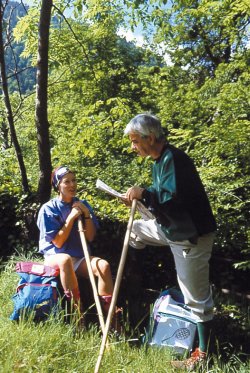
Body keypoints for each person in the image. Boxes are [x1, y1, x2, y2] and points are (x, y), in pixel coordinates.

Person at [122, 113, 217, 371]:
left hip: (190, 237)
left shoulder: (173, 159)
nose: (132, 147)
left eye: (134, 141)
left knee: (196, 299)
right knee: (134, 229)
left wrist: (144, 193)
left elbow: (170, 198)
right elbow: (161, 201)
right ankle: (136, 286)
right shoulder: (158, 161)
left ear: (150, 138)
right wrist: (141, 200)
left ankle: (202, 357)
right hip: (172, 229)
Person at [37, 166, 119, 330]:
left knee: (103, 266)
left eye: (74, 180)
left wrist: (86, 215)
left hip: (79, 257)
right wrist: (71, 218)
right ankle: (78, 317)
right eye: (67, 181)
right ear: (58, 186)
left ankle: (110, 319)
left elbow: (90, 237)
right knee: (65, 259)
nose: (72, 184)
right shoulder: (48, 209)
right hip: (55, 256)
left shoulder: (83, 205)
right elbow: (58, 243)